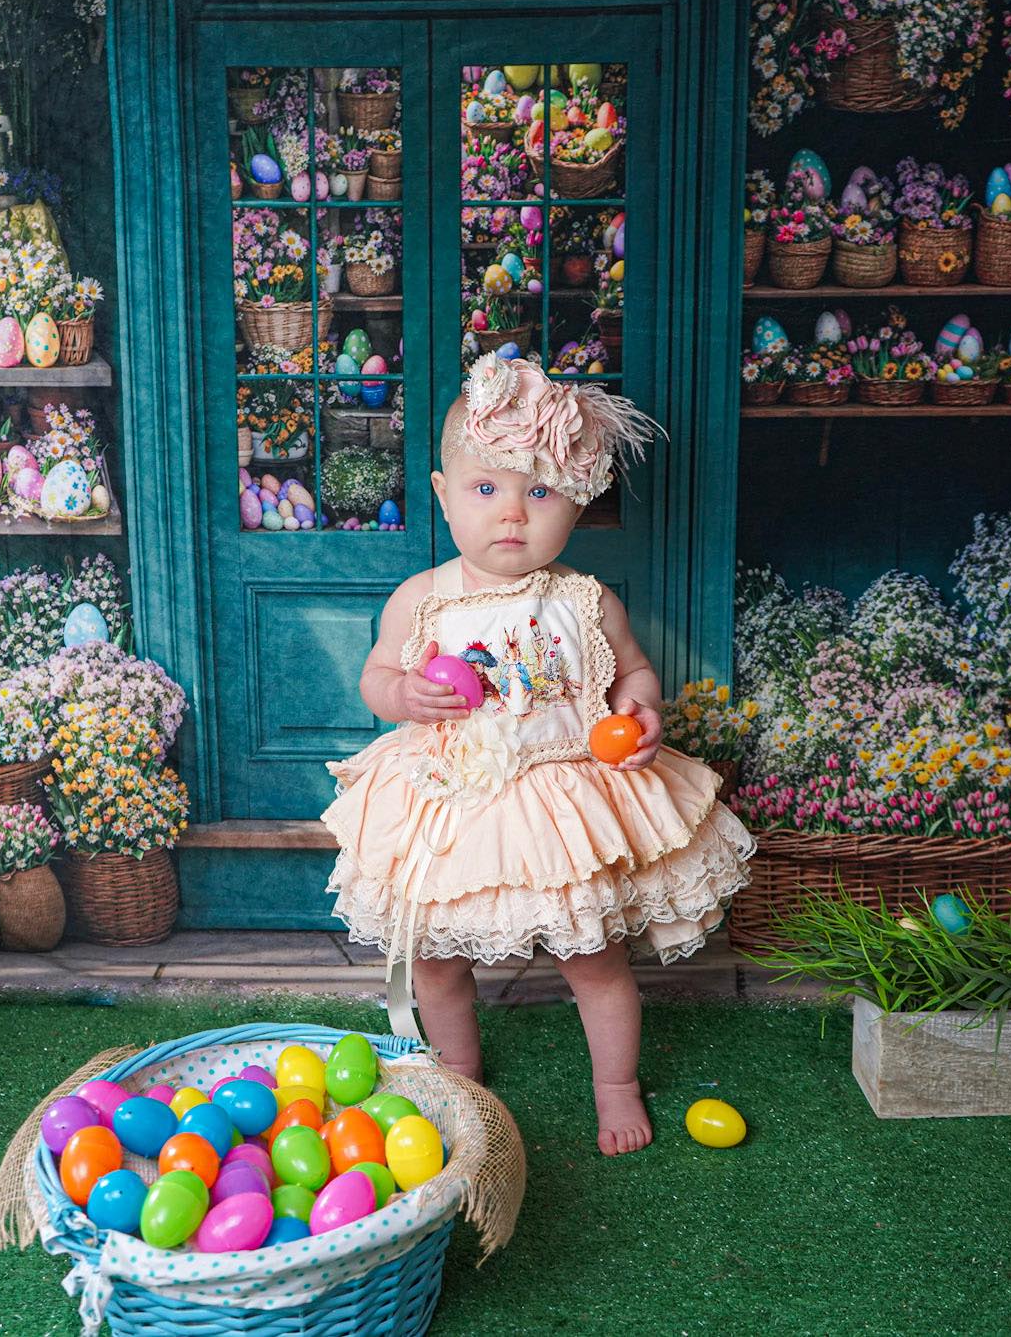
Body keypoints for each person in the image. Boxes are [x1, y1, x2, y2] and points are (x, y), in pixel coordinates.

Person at [322, 354, 753, 1156]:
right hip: (453, 804)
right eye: (487, 489)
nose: (512, 514)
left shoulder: (585, 601)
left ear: (577, 503)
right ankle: (460, 1071)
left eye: (540, 491)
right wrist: (404, 695)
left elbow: (632, 670)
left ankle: (615, 1083)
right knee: (438, 962)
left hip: (561, 804)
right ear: (445, 494)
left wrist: (639, 708)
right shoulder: (423, 598)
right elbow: (377, 676)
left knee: (593, 954)